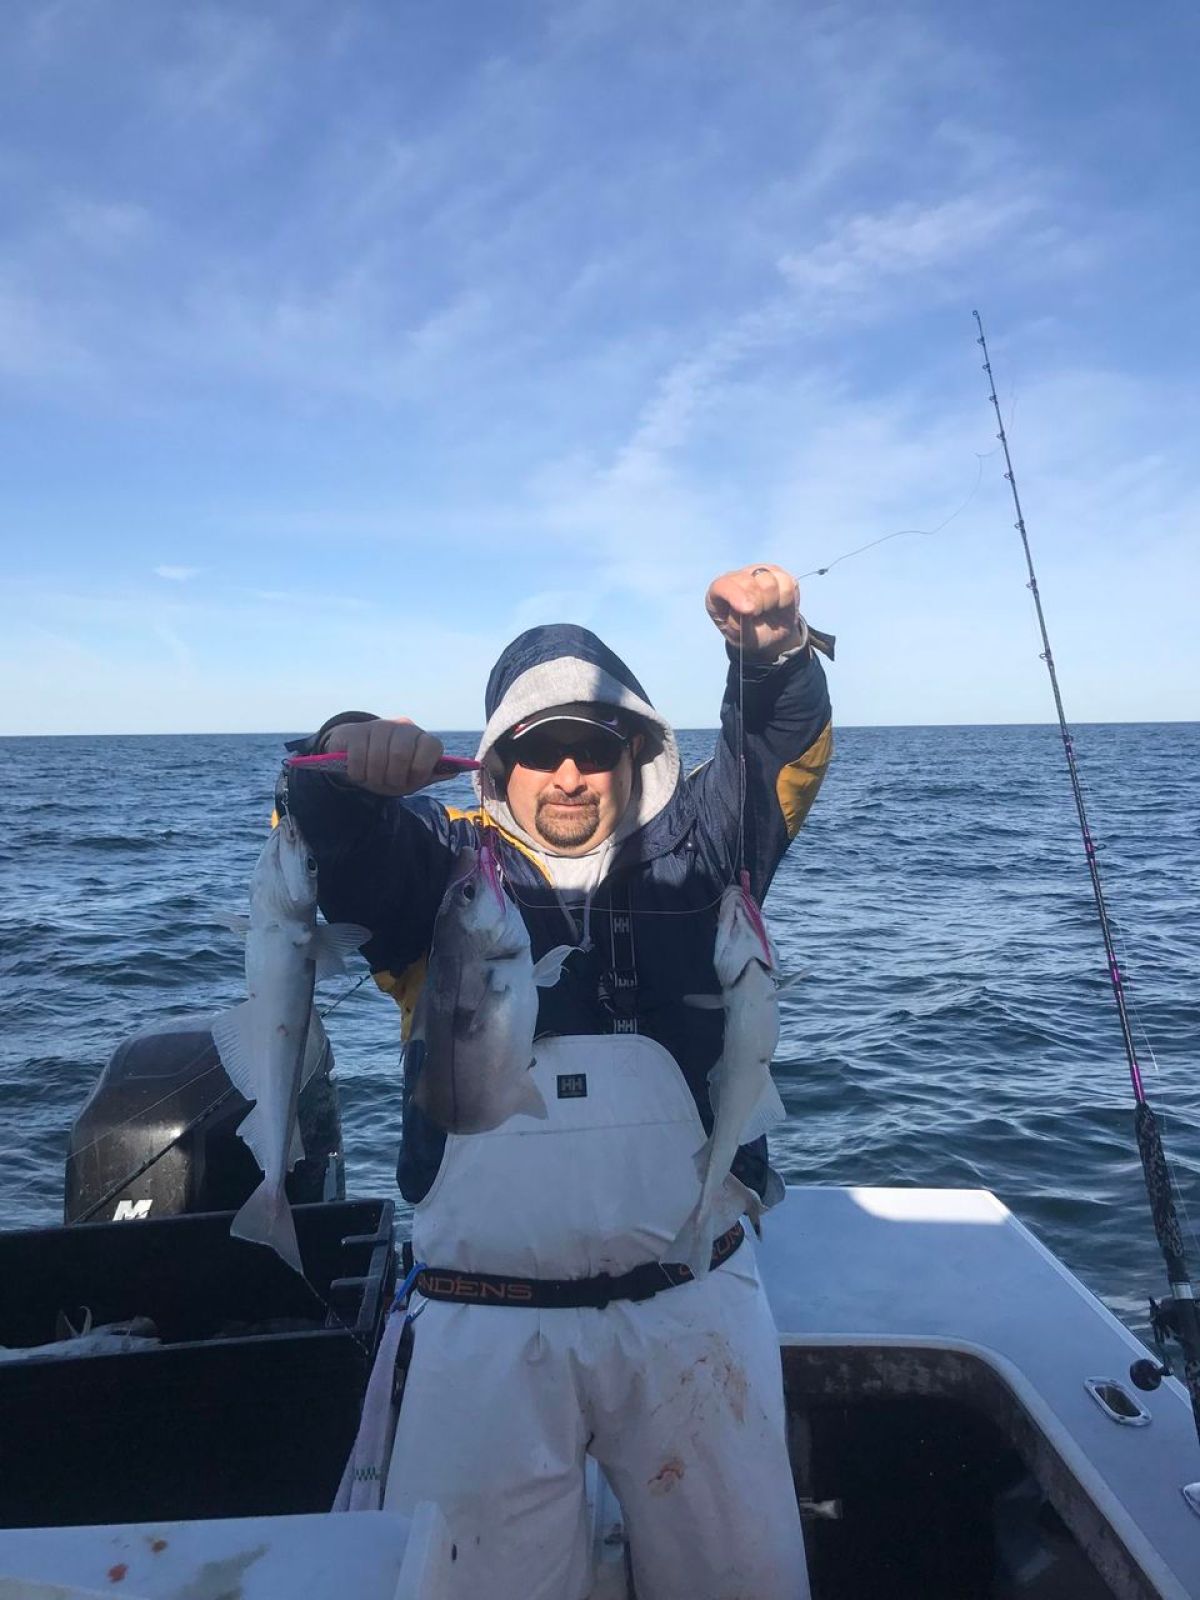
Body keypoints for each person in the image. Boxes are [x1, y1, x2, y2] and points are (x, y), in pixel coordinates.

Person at [285, 563, 833, 1600]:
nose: (570, 774)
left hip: (694, 1304)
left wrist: (773, 656)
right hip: (478, 1325)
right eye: (540, 750)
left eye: (595, 746)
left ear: (638, 750)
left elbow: (780, 750)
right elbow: (324, 833)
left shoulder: (709, 851)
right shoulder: (440, 870)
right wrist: (348, 744)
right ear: (499, 761)